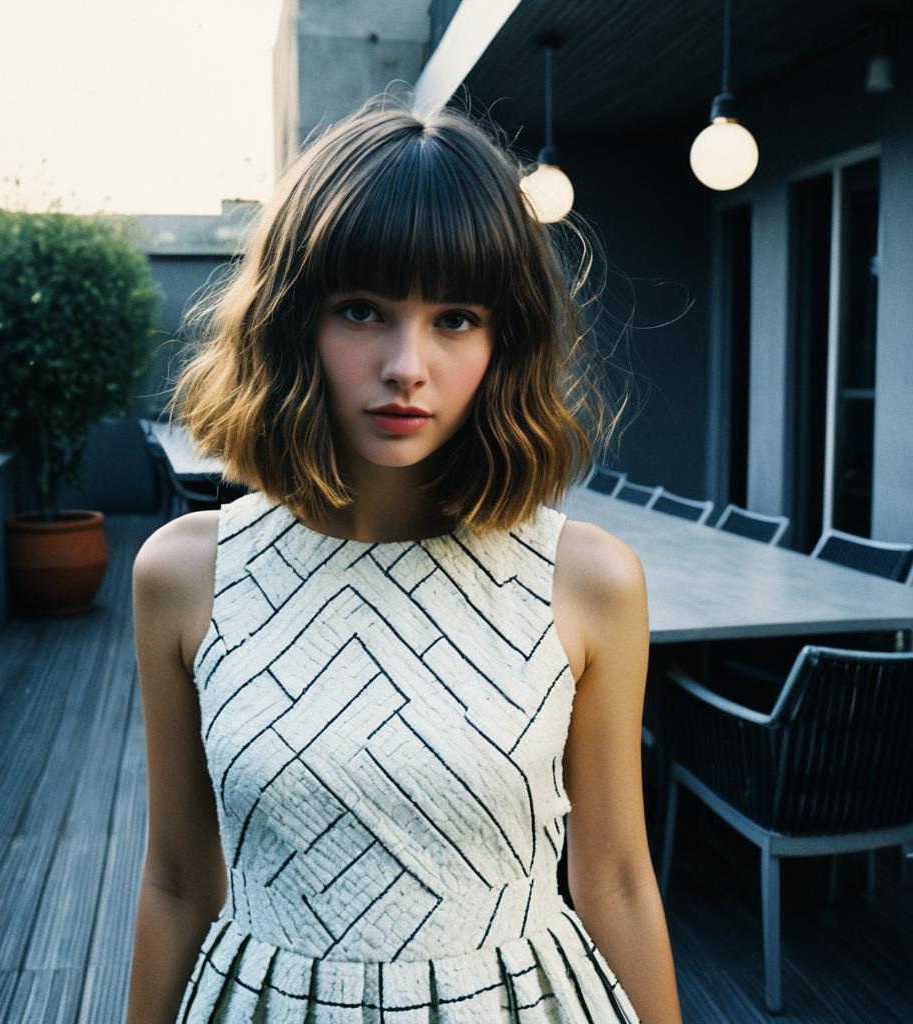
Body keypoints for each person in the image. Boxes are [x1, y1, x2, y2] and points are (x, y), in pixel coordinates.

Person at [125, 94, 682, 1024]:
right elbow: (179, 881)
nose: (406, 365)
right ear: (293, 322)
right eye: (362, 311)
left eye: (456, 317)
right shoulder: (186, 574)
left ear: (506, 339)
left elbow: (619, 879)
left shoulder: (588, 582)